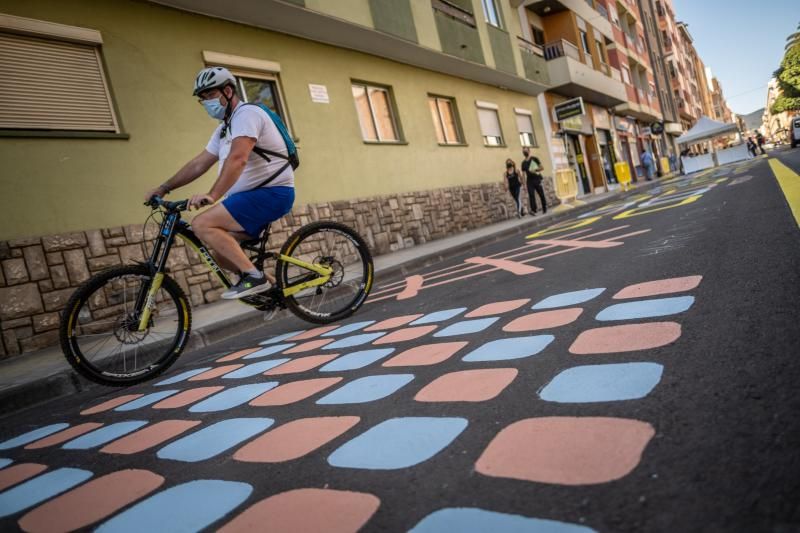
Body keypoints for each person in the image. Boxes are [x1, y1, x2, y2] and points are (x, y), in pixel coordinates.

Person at [144, 66, 295, 299]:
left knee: (202, 224)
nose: (207, 102)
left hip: (271, 193)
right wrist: (164, 188)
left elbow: (238, 159)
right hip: (246, 199)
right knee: (222, 254)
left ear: (227, 91)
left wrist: (212, 195)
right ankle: (274, 290)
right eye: (202, 99)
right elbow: (199, 163)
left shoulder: (247, 115)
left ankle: (253, 277)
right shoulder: (224, 129)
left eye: (211, 95)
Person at [521, 148, 547, 215]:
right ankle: (534, 210)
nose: (525, 152)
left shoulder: (535, 159)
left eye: (526, 150)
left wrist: (535, 170)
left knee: (541, 194)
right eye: (523, 151)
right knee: (531, 195)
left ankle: (544, 207)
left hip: (537, 178)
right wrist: (524, 185)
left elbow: (542, 167)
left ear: (529, 151)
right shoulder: (523, 163)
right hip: (529, 181)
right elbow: (523, 174)